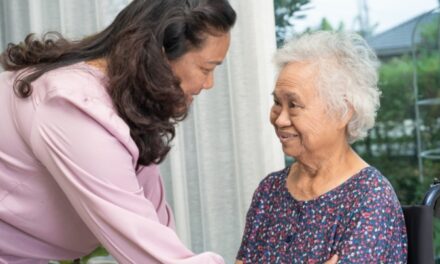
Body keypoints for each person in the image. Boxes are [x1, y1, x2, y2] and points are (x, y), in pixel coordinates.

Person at [0, 0, 235, 263]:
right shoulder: (73, 108)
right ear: (157, 55)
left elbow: (156, 231)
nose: (209, 83)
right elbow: (147, 250)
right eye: (206, 68)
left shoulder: (125, 107)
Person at [236, 31, 407, 263]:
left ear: (342, 112)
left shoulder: (370, 198)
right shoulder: (269, 191)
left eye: (294, 105)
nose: (280, 119)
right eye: (277, 102)